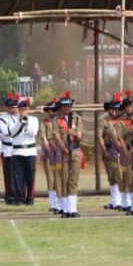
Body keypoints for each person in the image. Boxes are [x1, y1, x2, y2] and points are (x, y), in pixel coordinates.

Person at [52, 90, 84, 218]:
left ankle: (72, 208)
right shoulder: (57, 121)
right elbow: (56, 136)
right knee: (64, 180)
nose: (66, 108)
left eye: (68, 106)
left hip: (75, 151)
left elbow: (80, 136)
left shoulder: (77, 119)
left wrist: (74, 133)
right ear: (61, 107)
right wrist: (64, 148)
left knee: (73, 180)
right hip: (63, 152)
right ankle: (65, 209)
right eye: (64, 106)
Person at [9, 97, 39, 205]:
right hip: (17, 151)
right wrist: (20, 121)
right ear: (19, 110)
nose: (23, 111)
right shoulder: (13, 120)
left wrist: (26, 121)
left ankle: (30, 199)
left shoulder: (34, 120)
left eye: (25, 109)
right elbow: (13, 132)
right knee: (18, 177)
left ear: (28, 109)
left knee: (30, 177)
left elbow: (32, 133)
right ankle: (20, 199)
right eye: (21, 109)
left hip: (30, 151)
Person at [0, 93, 19, 204]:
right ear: (7, 108)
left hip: (19, 149)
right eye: (11, 107)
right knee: (9, 175)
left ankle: (20, 195)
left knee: (19, 174)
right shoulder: (2, 119)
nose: (13, 109)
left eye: (15, 107)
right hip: (8, 149)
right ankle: (10, 196)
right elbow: (4, 133)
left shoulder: (21, 117)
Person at [100, 95, 124, 210]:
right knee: (111, 177)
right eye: (111, 108)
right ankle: (115, 201)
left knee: (120, 175)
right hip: (109, 150)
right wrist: (105, 150)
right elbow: (100, 137)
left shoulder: (122, 121)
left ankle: (120, 201)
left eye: (116, 108)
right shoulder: (104, 122)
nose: (113, 111)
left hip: (121, 151)